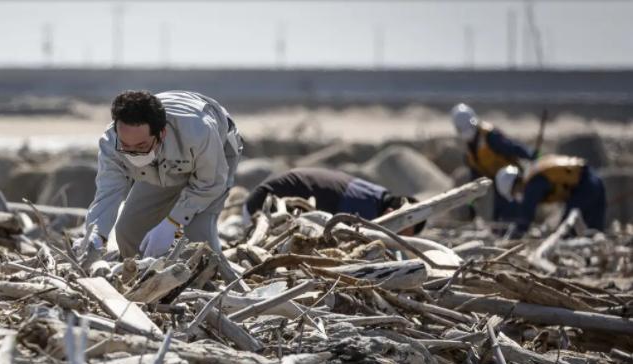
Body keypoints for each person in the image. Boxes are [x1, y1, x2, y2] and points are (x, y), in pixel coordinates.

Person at [80, 90, 243, 258]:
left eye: (141, 146)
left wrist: (172, 222)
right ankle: (143, 272)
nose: (133, 154)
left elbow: (210, 183)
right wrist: (96, 234)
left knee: (198, 237)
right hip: (160, 167)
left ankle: (214, 271)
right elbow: (108, 191)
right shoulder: (110, 142)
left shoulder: (200, 131)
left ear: (161, 133)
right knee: (128, 231)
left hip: (217, 154)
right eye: (126, 146)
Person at [242, 167, 419, 228]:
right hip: (260, 210)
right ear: (390, 212)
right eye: (401, 229)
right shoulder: (363, 206)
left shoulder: (375, 193)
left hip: (261, 199)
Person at [451, 103, 536, 222]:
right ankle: (502, 228)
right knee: (499, 213)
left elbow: (511, 147)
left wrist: (531, 154)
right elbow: (475, 178)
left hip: (511, 178)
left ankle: (518, 226)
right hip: (498, 183)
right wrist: (471, 203)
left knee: (513, 209)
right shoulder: (469, 151)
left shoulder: (490, 136)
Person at [494, 155, 606, 235]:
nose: (517, 195)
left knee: (568, 230)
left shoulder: (532, 184)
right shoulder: (533, 173)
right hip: (593, 179)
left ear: (514, 184)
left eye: (514, 192)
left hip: (585, 186)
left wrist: (517, 233)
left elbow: (527, 214)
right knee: (594, 228)